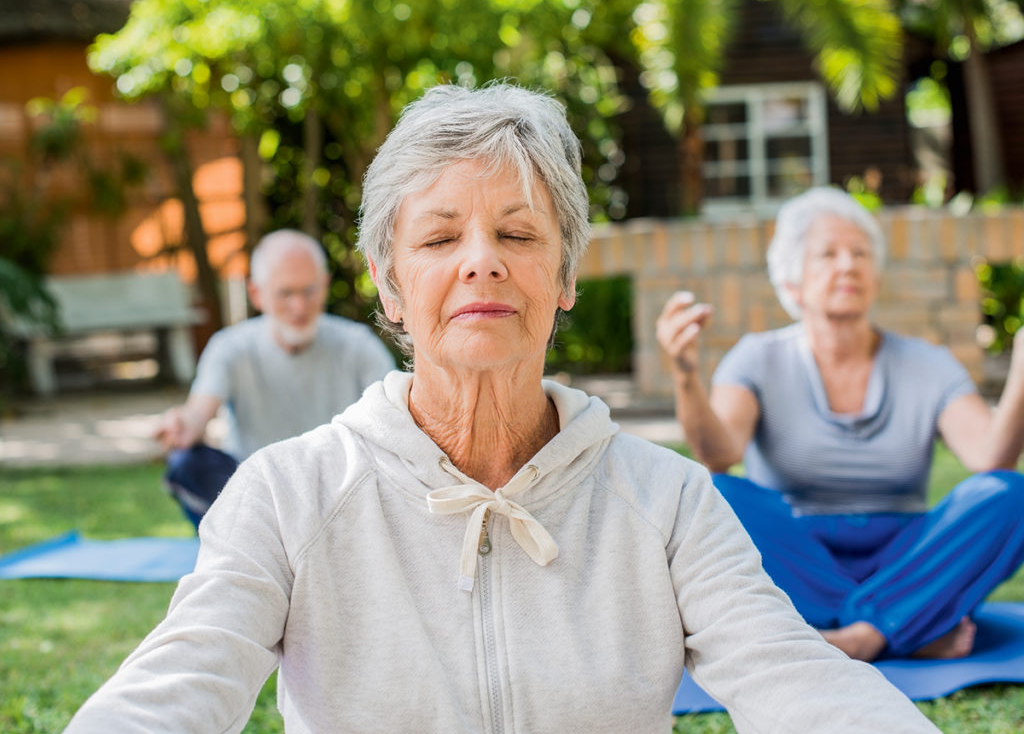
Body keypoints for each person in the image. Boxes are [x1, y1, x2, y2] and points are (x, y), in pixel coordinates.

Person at [66, 85, 940, 734]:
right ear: (390, 284)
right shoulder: (287, 493)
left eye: (518, 235)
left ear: (562, 280)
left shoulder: (667, 501)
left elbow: (799, 684)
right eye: (440, 238)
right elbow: (177, 687)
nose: (481, 261)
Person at [657, 186, 1024, 663]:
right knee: (715, 493)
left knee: (1008, 495)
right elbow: (719, 452)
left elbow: (990, 458)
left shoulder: (928, 364)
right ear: (792, 283)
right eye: (827, 254)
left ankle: (850, 638)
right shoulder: (757, 358)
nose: (848, 265)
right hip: (799, 556)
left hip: (905, 555)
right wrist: (686, 376)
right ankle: (905, 627)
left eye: (860, 253)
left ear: (875, 274)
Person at [154, 229, 395, 527]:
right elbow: (197, 415)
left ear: (324, 285)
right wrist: (182, 425)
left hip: (339, 493)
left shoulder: (358, 345)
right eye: (286, 293)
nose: (299, 306)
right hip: (256, 498)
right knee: (185, 464)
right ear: (257, 293)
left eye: (309, 291)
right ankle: (237, 549)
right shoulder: (230, 347)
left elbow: (395, 423)